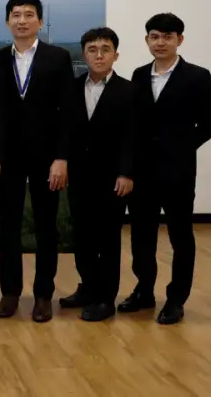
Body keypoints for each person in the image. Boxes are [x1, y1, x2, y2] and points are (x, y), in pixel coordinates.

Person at [119, 13, 211, 325]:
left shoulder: (197, 77)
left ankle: (176, 299)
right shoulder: (139, 75)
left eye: (167, 36)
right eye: (154, 36)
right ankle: (144, 290)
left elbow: (209, 123)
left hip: (178, 172)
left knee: (180, 236)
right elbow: (134, 123)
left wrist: (181, 148)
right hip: (142, 172)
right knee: (141, 235)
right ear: (147, 40)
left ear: (179, 40)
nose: (160, 42)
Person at [0, 0, 73, 323]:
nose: (21, 20)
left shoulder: (58, 57)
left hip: (47, 158)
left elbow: (67, 113)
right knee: (8, 227)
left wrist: (61, 157)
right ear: (7, 21)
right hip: (8, 159)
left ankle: (43, 295)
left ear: (39, 20)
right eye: (16, 15)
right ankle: (10, 293)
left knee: (45, 228)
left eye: (28, 15)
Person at [58, 27, 135, 322]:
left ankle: (105, 298)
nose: (99, 55)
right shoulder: (72, 88)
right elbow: (65, 129)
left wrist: (126, 173)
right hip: (79, 176)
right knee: (82, 237)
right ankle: (88, 287)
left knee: (108, 239)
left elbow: (132, 137)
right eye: (92, 50)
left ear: (116, 55)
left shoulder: (129, 91)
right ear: (84, 54)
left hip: (113, 178)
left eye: (105, 49)